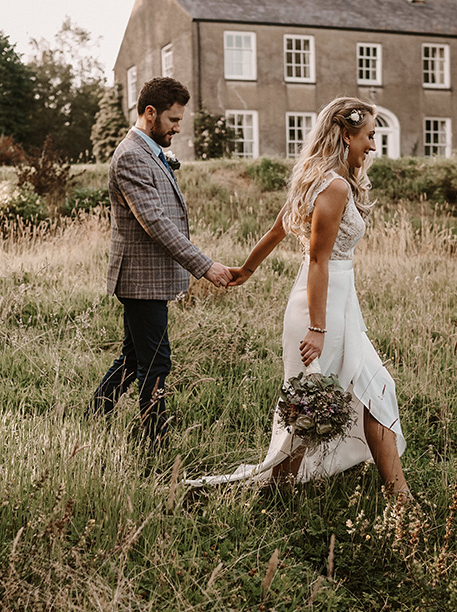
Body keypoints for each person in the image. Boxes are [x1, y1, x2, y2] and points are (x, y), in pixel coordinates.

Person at [187, 97, 409, 498]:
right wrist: (318, 328)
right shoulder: (334, 185)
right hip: (320, 307)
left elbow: (276, 231)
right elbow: (317, 258)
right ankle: (272, 491)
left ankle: (397, 498)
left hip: (338, 303)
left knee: (352, 396)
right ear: (346, 134)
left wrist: (247, 269)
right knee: (316, 406)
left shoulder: (320, 177)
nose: (373, 145)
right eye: (370, 136)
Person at [89, 77, 232, 449]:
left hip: (149, 277)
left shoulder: (150, 149)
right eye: (172, 119)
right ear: (149, 113)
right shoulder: (131, 156)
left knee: (135, 355)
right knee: (156, 360)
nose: (177, 127)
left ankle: (95, 414)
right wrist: (205, 266)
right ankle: (155, 440)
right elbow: (156, 224)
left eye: (180, 120)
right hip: (140, 278)